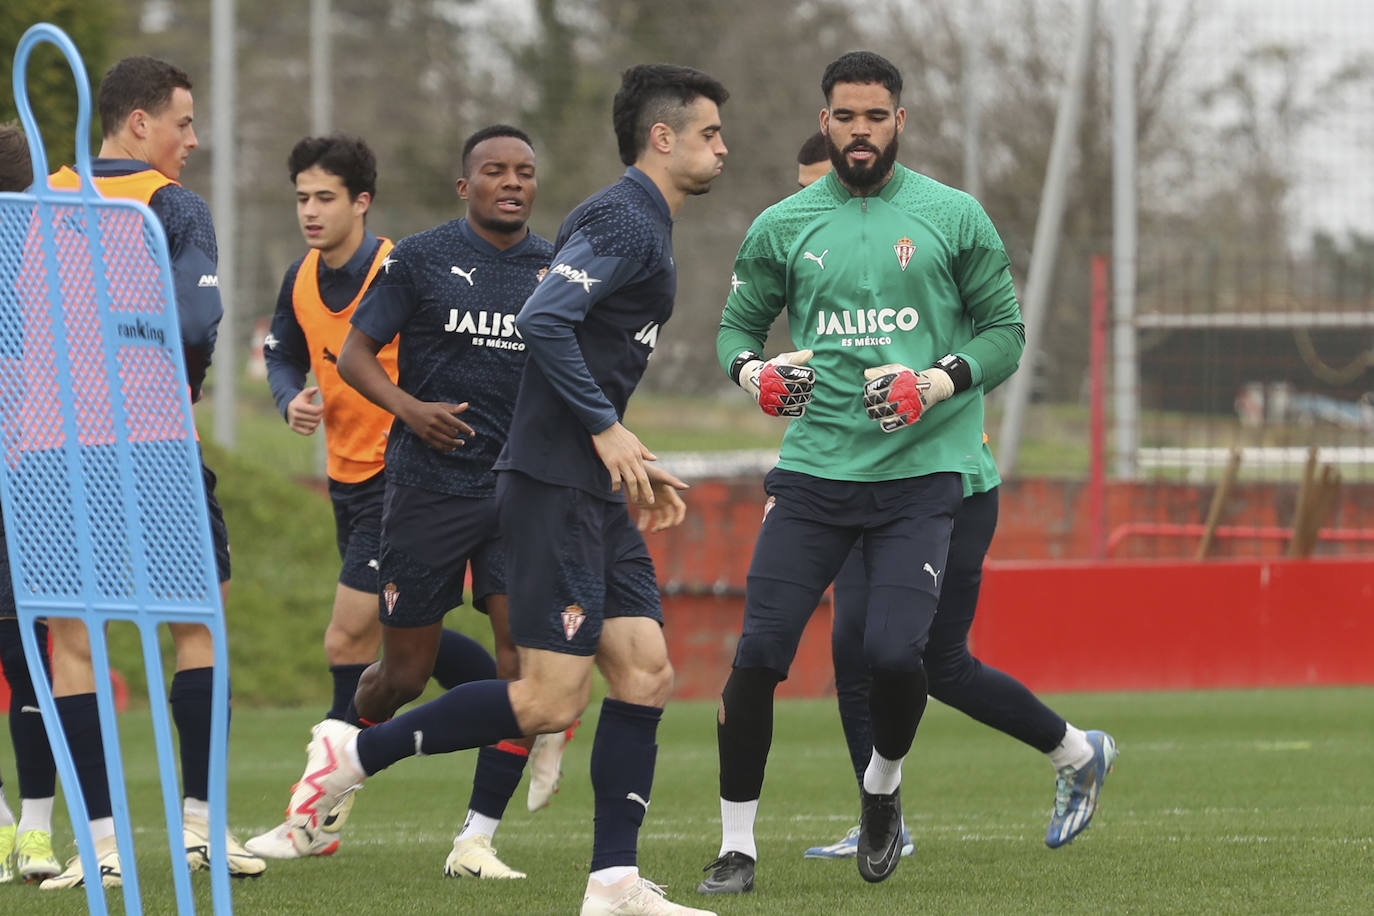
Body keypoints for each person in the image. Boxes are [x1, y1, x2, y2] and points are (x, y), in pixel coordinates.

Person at [282, 64, 729, 916]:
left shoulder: (645, 225)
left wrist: (626, 451)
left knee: (645, 673)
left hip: (591, 484)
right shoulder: (624, 219)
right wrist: (604, 429)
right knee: (548, 698)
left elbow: (579, 346)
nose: (722, 148)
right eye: (709, 133)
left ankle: (614, 883)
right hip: (554, 483)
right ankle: (354, 758)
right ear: (663, 138)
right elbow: (542, 320)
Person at [698, 50, 1029, 894]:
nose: (859, 131)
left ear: (899, 123)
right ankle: (737, 847)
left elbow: (1004, 334)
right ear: (824, 122)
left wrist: (936, 381)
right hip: (813, 477)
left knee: (893, 656)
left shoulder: (954, 216)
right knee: (760, 655)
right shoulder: (783, 224)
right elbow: (735, 330)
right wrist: (756, 376)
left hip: (921, 479)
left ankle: (880, 790)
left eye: (874, 117)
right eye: (844, 117)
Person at [786, 137, 1118, 861]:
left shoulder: (931, 241)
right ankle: (882, 820)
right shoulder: (812, 255)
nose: (825, 208)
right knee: (851, 647)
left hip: (950, 484)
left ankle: (1074, 751)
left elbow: (1002, 338)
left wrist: (932, 384)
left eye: (830, 191)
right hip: (856, 486)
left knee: (933, 661)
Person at [272, 124, 557, 879]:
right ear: (465, 187)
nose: (511, 183)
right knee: (402, 671)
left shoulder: (557, 269)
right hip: (429, 490)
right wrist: (409, 408)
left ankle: (476, 839)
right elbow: (355, 354)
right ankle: (333, 765)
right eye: (494, 171)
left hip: (515, 491)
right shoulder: (423, 258)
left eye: (524, 172)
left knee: (521, 669)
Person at [38, 56, 265, 889]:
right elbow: (199, 315)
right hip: (151, 441)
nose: (193, 141)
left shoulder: (33, 198)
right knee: (198, 624)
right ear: (139, 124)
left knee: (72, 639)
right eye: (183, 124)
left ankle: (96, 845)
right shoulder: (172, 203)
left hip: (49, 453)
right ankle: (200, 830)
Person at [0, 121, 62, 884]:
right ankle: (33, 832)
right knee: (33, 658)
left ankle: (25, 829)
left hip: (31, 474)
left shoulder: (45, 251)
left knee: (31, 656)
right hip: (42, 477)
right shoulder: (57, 246)